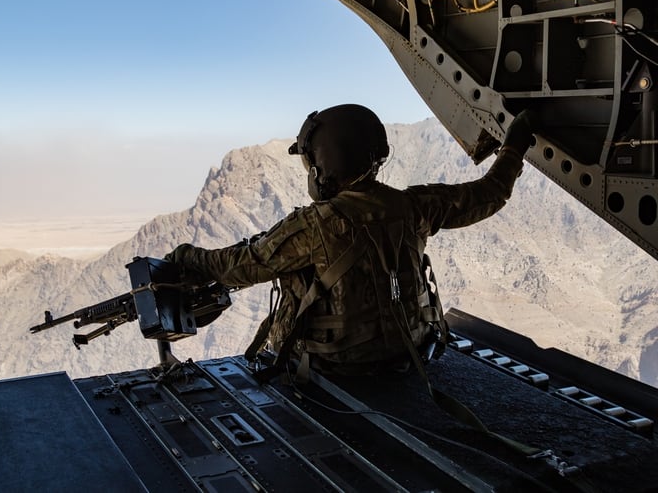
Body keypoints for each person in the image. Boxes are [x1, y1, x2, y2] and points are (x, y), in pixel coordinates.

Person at [165, 104, 536, 376]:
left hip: (340, 366)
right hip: (412, 354)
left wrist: (188, 257)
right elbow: (489, 194)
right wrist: (514, 145)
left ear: (326, 165)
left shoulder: (316, 225)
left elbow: (243, 267)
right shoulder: (414, 207)